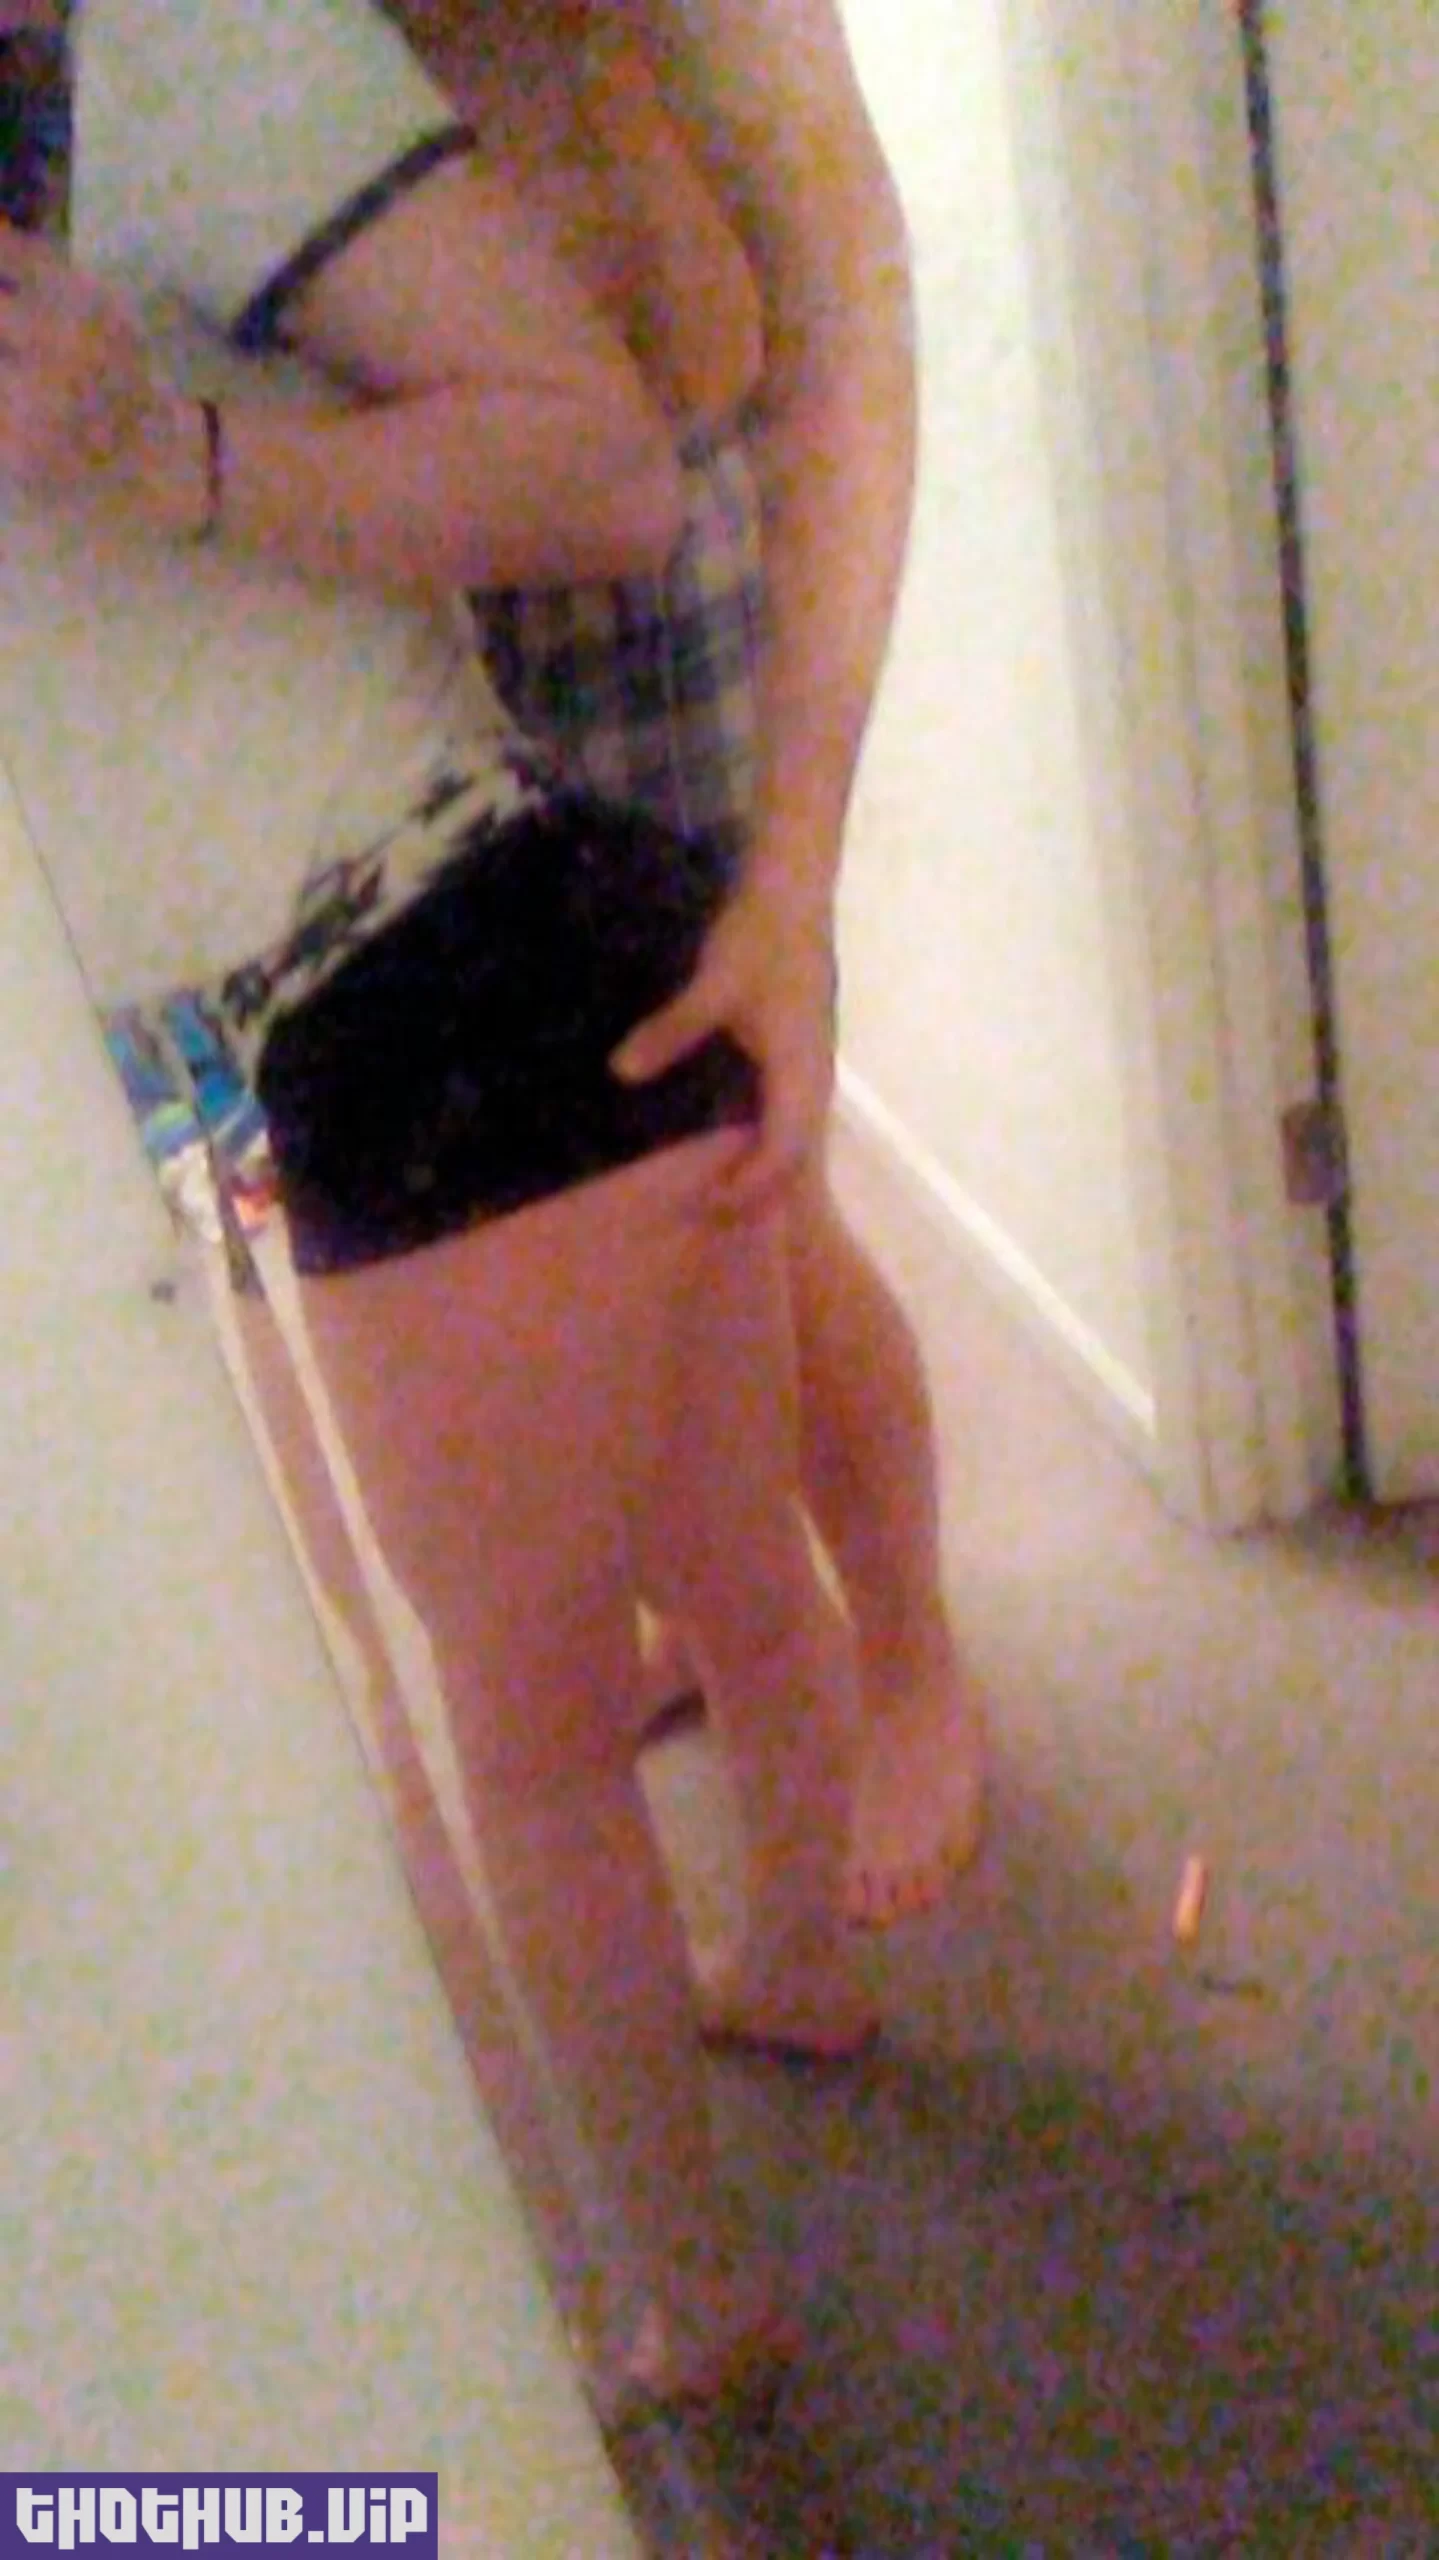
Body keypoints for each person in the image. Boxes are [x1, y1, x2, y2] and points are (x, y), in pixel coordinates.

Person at [0, 0, 876, 2412]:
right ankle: (808, 1956)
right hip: (596, 894)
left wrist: (156, 455)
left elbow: (601, 462)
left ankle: (692, 2294)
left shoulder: (162, 76)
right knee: (733, 1557)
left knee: (532, 1743)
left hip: (408, 1020)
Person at [382, 0, 990, 1929]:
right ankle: (714, 1600)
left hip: (631, 565)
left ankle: (905, 1650)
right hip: (378, 594)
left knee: (748, 1195)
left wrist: (793, 876)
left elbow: (840, 286)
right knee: (571, 1237)